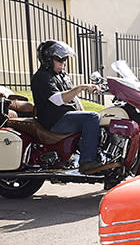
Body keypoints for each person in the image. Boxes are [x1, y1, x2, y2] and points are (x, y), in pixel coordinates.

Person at [30, 40, 106, 174]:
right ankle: (87, 161)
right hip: (55, 121)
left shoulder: (62, 75)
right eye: (59, 59)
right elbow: (58, 100)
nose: (63, 63)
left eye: (64, 59)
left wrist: (82, 110)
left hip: (67, 117)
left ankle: (108, 167)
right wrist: (82, 87)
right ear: (48, 59)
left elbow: (73, 97)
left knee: (100, 117)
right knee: (92, 117)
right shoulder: (42, 77)